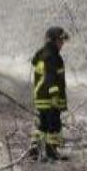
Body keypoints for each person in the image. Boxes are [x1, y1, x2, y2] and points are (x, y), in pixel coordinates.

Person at [29, 27, 68, 161]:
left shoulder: (42, 54)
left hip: (41, 97)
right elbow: (51, 77)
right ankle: (51, 150)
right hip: (50, 98)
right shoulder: (52, 56)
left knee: (43, 124)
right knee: (54, 124)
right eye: (60, 41)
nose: (62, 44)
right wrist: (55, 96)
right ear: (53, 41)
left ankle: (34, 148)